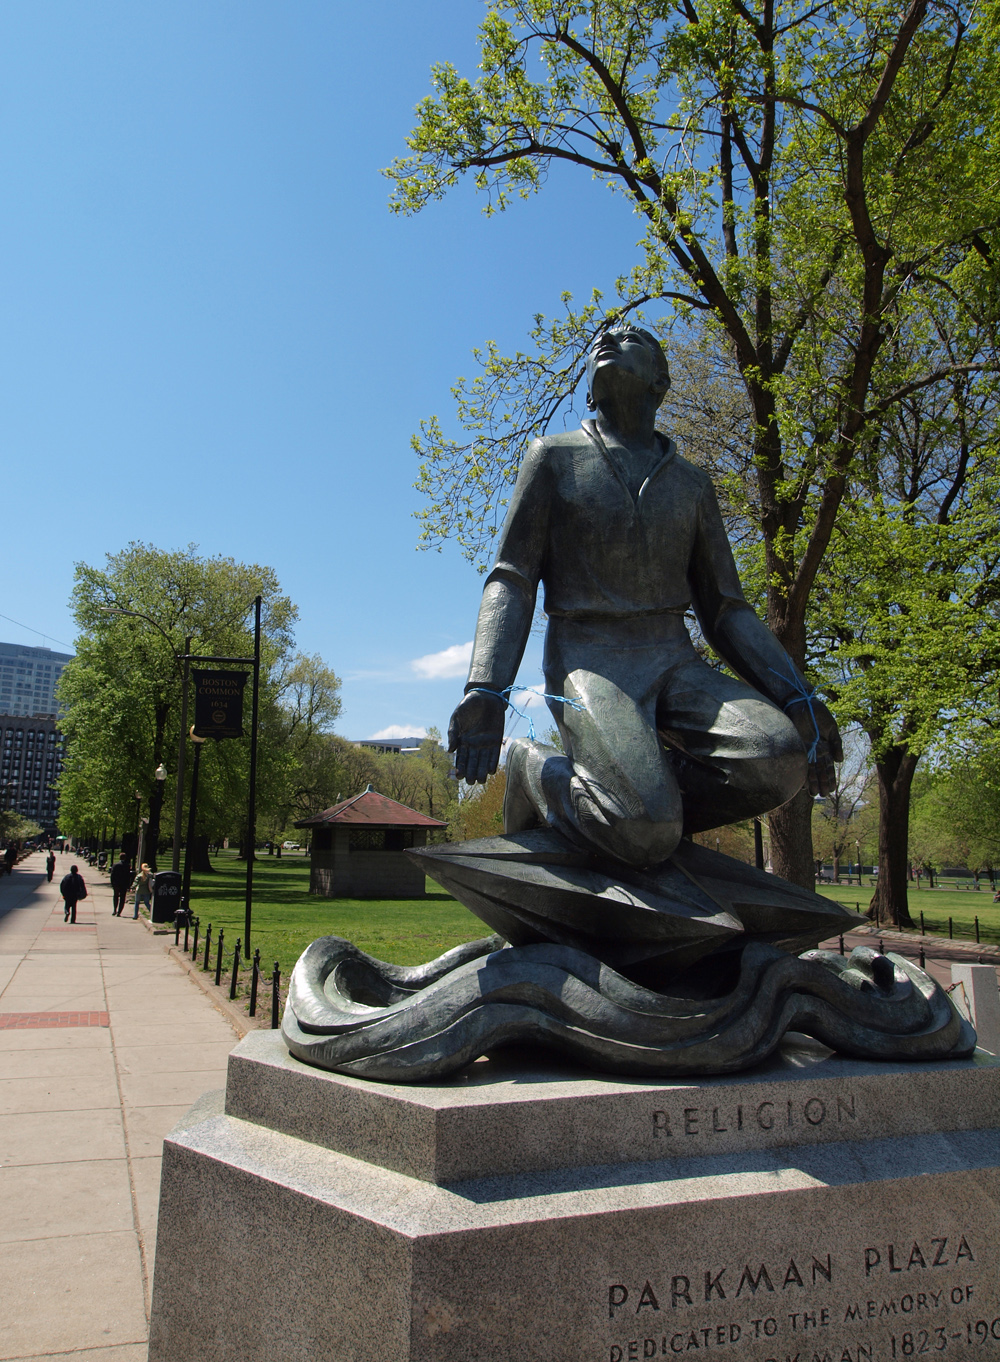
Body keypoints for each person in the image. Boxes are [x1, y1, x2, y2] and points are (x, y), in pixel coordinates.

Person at [449, 323, 842, 870]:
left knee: (778, 758)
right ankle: (534, 767)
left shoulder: (692, 484)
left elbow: (726, 609)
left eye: (632, 338)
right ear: (589, 387)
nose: (607, 340)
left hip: (673, 658)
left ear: (661, 381)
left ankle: (637, 797)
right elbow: (512, 578)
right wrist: (487, 688)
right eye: (601, 341)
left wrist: (797, 696)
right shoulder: (552, 458)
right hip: (589, 660)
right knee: (644, 827)